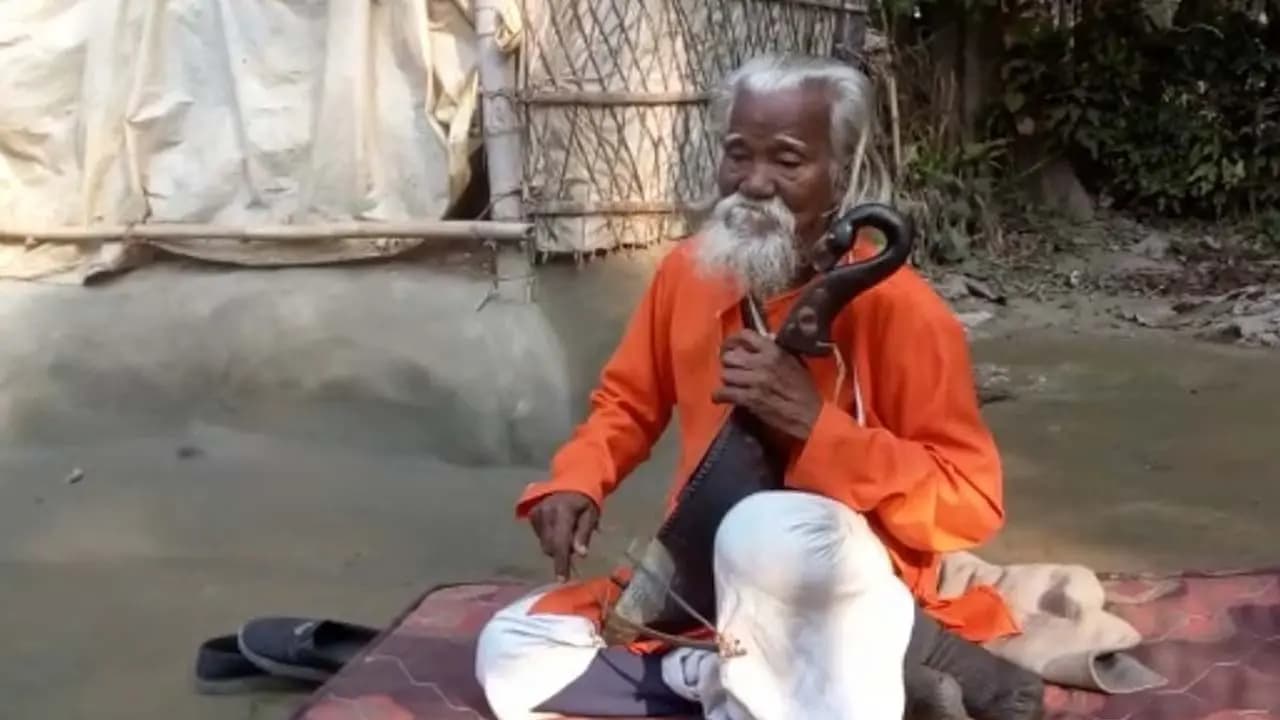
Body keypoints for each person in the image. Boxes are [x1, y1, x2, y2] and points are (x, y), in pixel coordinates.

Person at [475, 53, 1042, 720]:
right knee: (510, 652)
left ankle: (882, 654)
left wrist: (816, 428)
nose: (753, 182)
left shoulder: (901, 310)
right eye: (738, 154)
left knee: (761, 527)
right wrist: (576, 480)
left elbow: (970, 503)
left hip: (847, 582)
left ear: (843, 176)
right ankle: (757, 681)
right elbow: (626, 404)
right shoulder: (688, 273)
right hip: (706, 581)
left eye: (788, 160)